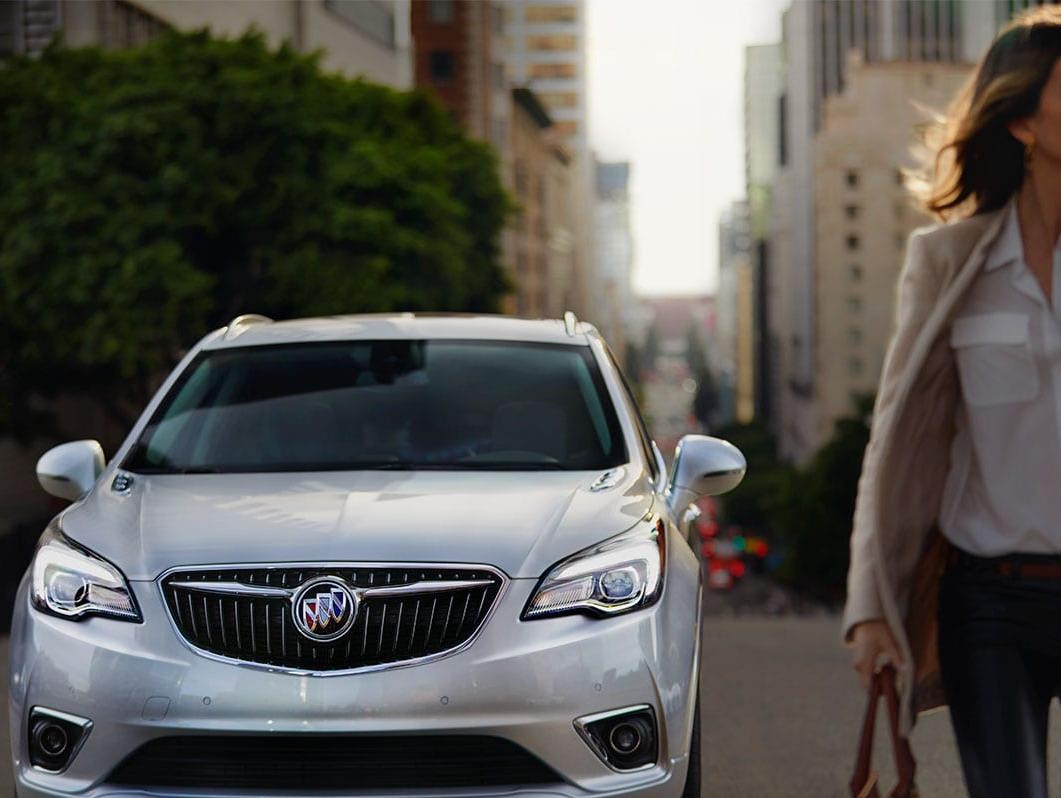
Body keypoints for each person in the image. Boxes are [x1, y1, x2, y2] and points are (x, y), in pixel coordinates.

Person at [844, 7, 1061, 797]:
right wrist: (872, 607)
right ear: (1021, 122)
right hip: (989, 601)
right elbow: (897, 444)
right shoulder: (945, 262)